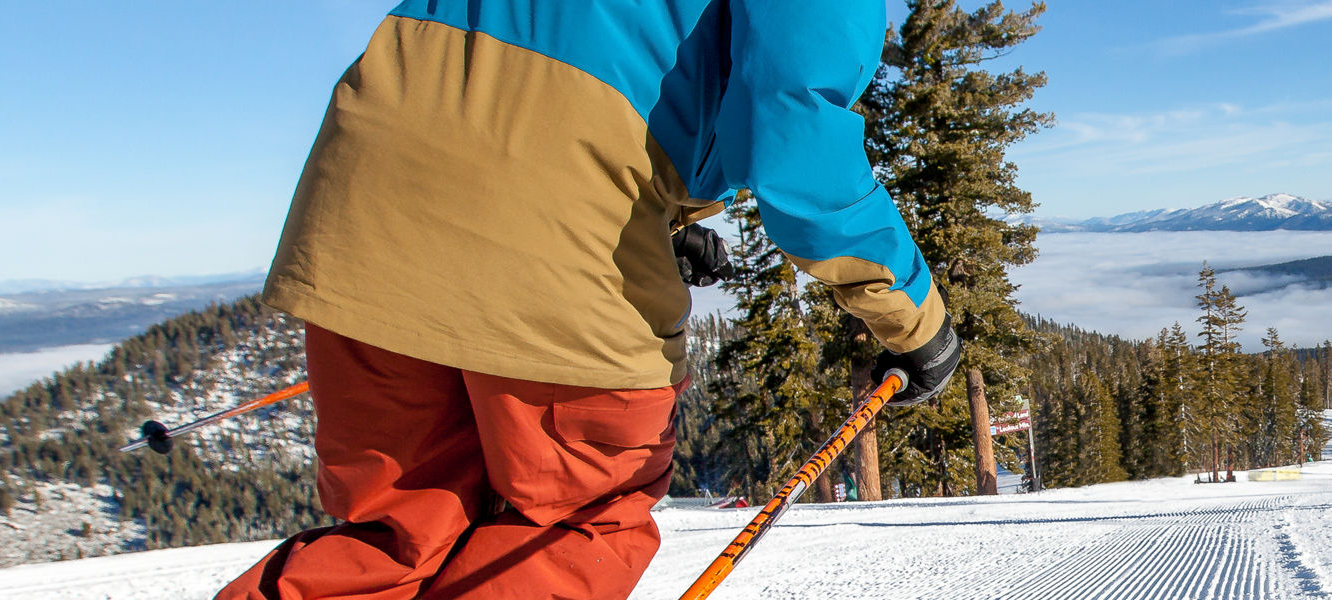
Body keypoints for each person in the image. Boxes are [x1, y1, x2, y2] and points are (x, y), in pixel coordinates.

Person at [220, 2, 958, 599]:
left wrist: (667, 216)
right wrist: (917, 324)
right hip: (558, 236)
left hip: (362, 201)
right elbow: (801, 150)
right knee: (569, 529)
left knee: (394, 532)